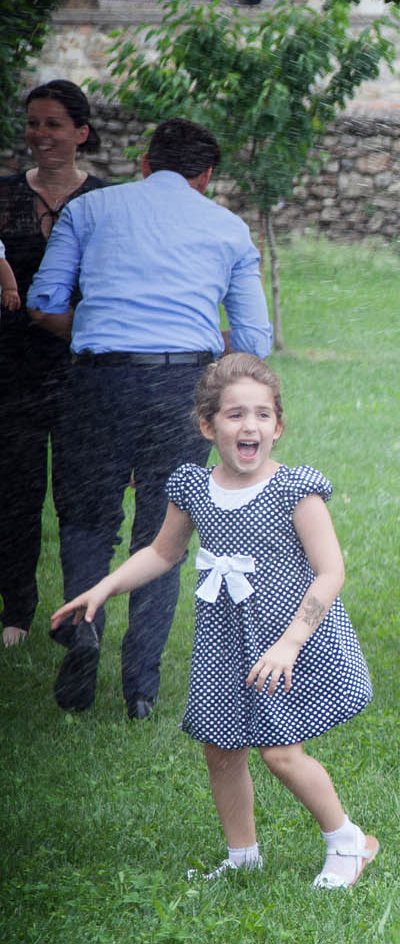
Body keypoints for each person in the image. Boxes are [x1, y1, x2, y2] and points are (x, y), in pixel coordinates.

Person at [51, 355, 377, 887]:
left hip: (290, 637)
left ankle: (348, 841)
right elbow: (162, 552)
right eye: (234, 415)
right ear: (207, 426)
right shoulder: (193, 489)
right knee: (221, 748)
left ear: (278, 426)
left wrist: (290, 643)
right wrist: (104, 585)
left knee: (280, 752)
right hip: (226, 639)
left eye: (262, 415)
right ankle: (242, 856)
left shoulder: (297, 490)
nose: (249, 426)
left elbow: (331, 572)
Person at [27, 116, 272, 719]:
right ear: (206, 177)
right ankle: (140, 689)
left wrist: (98, 333)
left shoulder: (90, 210)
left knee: (86, 523)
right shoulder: (230, 228)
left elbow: (43, 300)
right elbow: (253, 340)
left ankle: (81, 635)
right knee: (163, 534)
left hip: (97, 379)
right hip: (182, 386)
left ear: (145, 163)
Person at [0, 80, 109, 648]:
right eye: (34, 123)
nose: (41, 135)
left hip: (80, 367)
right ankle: (15, 610)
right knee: (15, 494)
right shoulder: (3, 195)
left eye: (54, 125)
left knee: (78, 497)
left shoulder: (106, 201)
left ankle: (76, 616)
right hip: (10, 367)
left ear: (81, 134)